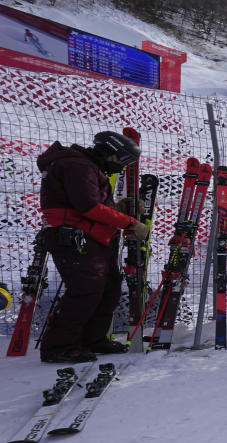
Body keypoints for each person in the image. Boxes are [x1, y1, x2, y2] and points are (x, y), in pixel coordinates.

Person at [37, 131, 148, 363]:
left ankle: (92, 339)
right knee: (85, 290)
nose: (122, 166)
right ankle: (59, 346)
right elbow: (89, 207)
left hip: (91, 235)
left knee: (109, 287)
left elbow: (91, 203)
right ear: (109, 152)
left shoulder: (86, 166)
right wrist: (130, 223)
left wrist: (119, 207)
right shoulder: (78, 166)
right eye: (122, 160)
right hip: (74, 235)